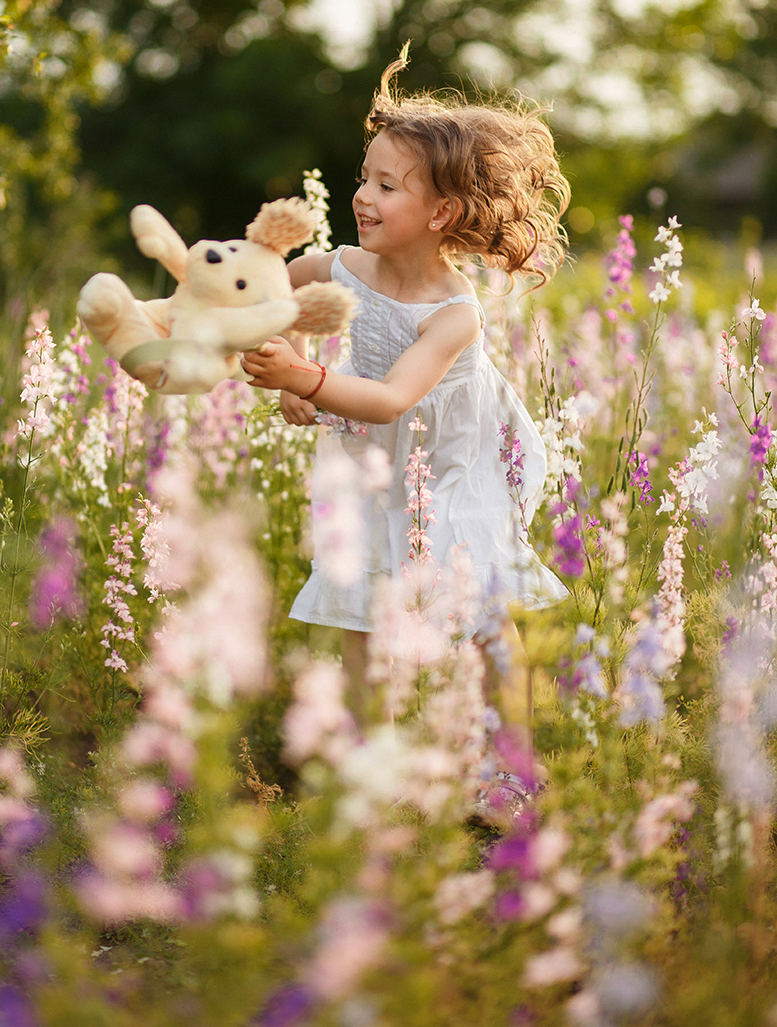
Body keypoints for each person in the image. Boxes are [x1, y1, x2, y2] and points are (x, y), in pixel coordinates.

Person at [241, 49, 570, 803]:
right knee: (361, 604)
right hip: (373, 467)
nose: (363, 195)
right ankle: (368, 759)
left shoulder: (455, 313)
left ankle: (509, 766)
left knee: (484, 613)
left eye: (386, 185)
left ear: (441, 212)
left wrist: (306, 380)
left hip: (455, 467)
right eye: (364, 176)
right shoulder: (345, 267)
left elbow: (393, 397)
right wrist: (288, 356)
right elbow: (265, 298)